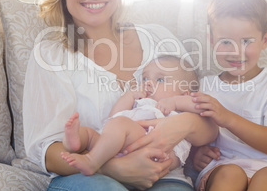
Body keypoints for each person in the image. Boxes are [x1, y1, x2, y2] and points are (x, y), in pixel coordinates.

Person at [22, 0, 218, 191]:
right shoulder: (51, 55)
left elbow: (208, 119)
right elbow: (45, 149)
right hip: (88, 179)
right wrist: (114, 167)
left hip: (165, 175)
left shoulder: (158, 39)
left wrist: (185, 124)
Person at [186, 0, 267, 190]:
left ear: (265, 40)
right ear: (211, 40)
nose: (236, 52)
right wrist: (196, 154)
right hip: (224, 166)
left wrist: (227, 117)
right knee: (229, 174)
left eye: (246, 41)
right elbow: (193, 132)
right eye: (225, 41)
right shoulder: (205, 86)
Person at [60, 55, 202, 185]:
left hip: (158, 151)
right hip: (123, 148)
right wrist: (129, 96)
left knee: (119, 124)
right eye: (145, 78)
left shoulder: (178, 108)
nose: (148, 83)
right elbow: (114, 117)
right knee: (91, 133)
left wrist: (176, 102)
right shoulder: (140, 102)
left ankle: (91, 161)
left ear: (184, 93)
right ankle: (74, 142)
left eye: (160, 80)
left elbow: (200, 108)